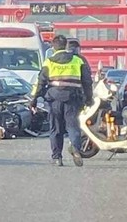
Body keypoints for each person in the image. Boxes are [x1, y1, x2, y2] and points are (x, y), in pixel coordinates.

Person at [30, 35, 93, 167]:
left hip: (54, 99)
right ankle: (76, 147)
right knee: (73, 127)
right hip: (73, 98)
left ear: (53, 47)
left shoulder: (49, 62)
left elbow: (40, 82)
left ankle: (57, 157)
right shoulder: (77, 60)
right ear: (65, 46)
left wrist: (34, 99)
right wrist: (89, 99)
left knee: (55, 129)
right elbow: (87, 81)